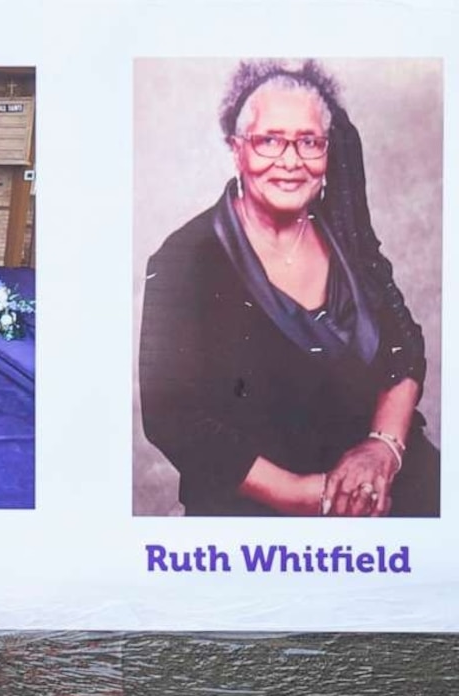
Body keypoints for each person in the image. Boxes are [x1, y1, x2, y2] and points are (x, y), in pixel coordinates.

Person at [138, 59, 438, 518]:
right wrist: (307, 494)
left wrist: (382, 449)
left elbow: (404, 346)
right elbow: (172, 417)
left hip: (386, 480)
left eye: (308, 142)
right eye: (270, 141)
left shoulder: (346, 232)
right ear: (236, 149)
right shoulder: (183, 260)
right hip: (263, 507)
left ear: (328, 152)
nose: (291, 161)